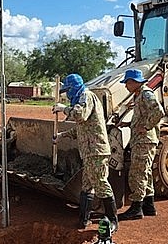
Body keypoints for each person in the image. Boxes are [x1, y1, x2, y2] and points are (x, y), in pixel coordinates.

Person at [52, 73, 118, 232]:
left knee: (101, 183)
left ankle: (112, 220)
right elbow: (81, 129)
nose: (66, 94)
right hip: (88, 152)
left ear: (73, 88)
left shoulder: (86, 96)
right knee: (87, 186)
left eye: (67, 90)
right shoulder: (82, 99)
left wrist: (63, 109)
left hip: (96, 151)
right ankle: (84, 219)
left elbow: (80, 116)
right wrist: (62, 136)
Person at [117, 69, 165, 220]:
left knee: (137, 173)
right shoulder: (140, 95)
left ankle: (136, 208)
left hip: (144, 141)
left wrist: (146, 127)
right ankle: (148, 206)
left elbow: (159, 111)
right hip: (142, 140)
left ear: (133, 82)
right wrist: (129, 123)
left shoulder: (146, 93)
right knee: (146, 172)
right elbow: (142, 116)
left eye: (127, 83)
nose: (126, 86)